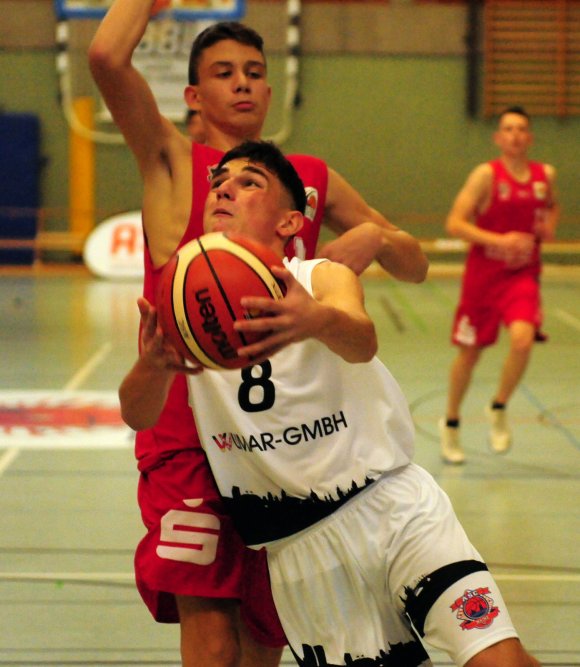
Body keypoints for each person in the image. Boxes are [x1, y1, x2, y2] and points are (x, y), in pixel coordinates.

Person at [89, 6, 428, 666]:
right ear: (193, 96)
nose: (242, 84)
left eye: (253, 72)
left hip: (280, 445)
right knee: (211, 631)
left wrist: (381, 240)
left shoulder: (307, 178)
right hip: (187, 436)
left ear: (271, 91)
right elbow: (105, 58)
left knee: (266, 641)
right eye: (223, 73)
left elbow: (412, 265)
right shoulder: (176, 165)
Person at [120, 139, 541, 667]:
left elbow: (362, 339)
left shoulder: (318, 278)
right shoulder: (187, 310)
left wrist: (315, 320)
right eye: (219, 182)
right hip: (300, 554)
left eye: (250, 182)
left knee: (497, 657)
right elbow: (138, 413)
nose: (226, 187)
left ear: (290, 222)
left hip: (393, 510)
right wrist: (152, 367)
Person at [438, 105, 559, 465]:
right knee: (470, 354)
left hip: (522, 276)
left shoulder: (544, 174)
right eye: (508, 129)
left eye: (522, 129)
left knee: (523, 339)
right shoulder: (485, 176)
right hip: (483, 279)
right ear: (498, 137)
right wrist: (498, 239)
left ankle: (499, 406)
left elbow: (552, 207)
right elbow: (455, 223)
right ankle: (452, 422)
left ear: (530, 137)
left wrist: (549, 225)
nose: (515, 135)